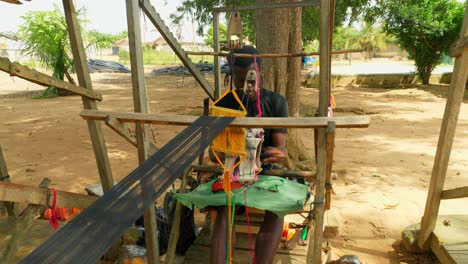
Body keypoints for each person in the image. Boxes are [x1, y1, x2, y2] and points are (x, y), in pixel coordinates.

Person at [172, 46, 308, 264]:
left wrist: (277, 155)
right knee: (225, 210)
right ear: (232, 75)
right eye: (239, 79)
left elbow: (280, 149)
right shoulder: (226, 104)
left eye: (250, 79)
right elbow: (213, 151)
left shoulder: (276, 103)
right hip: (233, 170)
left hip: (266, 170)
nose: (246, 85)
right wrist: (221, 152)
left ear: (259, 72)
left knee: (276, 210)